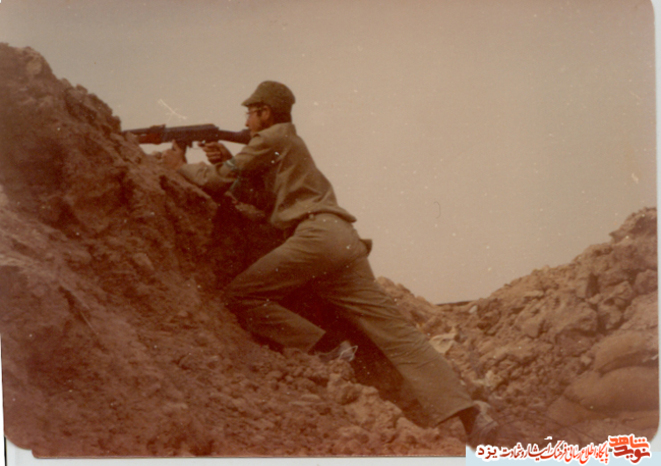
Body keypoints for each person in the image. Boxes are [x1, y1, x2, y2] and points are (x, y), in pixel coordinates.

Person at [161, 81, 497, 447]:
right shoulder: (287, 143)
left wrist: (181, 166)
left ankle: (328, 348)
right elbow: (263, 198)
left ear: (265, 113)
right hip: (342, 238)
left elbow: (215, 181)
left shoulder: (272, 137)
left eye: (250, 114)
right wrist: (229, 163)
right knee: (398, 335)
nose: (246, 121)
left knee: (241, 296)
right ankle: (472, 418)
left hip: (315, 237)